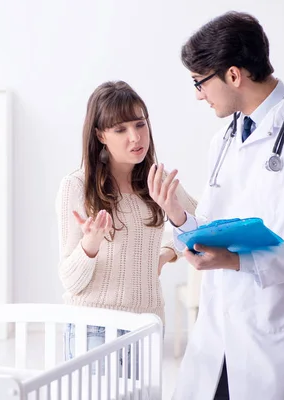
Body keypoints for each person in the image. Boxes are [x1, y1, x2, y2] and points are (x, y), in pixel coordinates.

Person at [150, 11, 284, 400]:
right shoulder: (226, 139)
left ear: (234, 75)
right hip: (222, 332)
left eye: (200, 82)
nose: (198, 94)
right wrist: (179, 217)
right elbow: (215, 225)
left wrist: (235, 261)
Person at [55, 80, 197, 376]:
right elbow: (70, 281)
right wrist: (89, 245)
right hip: (93, 327)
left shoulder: (157, 180)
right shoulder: (77, 187)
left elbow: (202, 229)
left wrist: (166, 253)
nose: (135, 137)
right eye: (120, 129)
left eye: (140, 124)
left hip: (146, 324)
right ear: (100, 135)